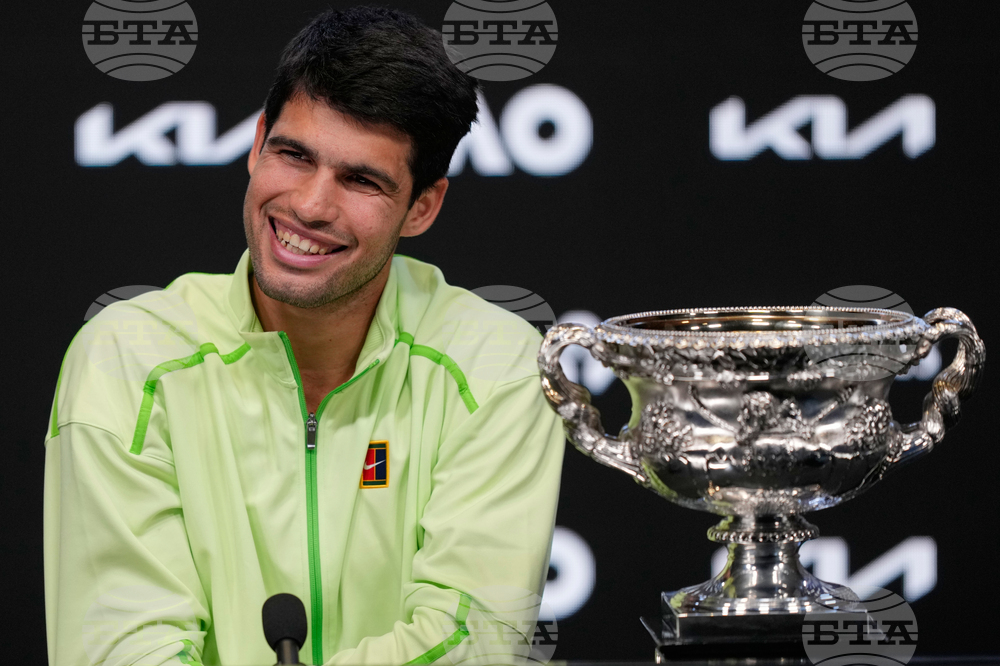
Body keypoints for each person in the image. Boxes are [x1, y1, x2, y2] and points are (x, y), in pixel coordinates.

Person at [44, 7, 564, 665]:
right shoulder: (127, 358)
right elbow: (118, 648)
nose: (311, 206)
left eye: (361, 180)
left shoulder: (497, 363)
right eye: (294, 155)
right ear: (257, 142)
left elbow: (474, 641)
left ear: (423, 207)